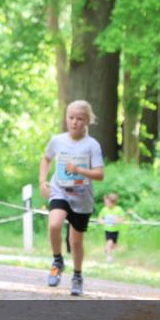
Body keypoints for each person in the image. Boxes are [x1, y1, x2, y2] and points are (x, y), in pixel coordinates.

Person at [38, 100, 105, 297]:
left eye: (80, 119)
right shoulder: (58, 140)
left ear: (87, 121)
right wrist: (42, 181)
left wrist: (78, 170)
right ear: (66, 118)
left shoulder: (92, 145)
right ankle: (57, 260)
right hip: (60, 190)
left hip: (82, 198)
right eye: (71, 118)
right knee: (54, 224)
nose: (74, 122)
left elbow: (99, 175)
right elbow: (46, 159)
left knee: (75, 241)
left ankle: (77, 276)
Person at [99, 192, 124, 262]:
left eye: (108, 203)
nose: (106, 204)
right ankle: (109, 257)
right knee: (109, 243)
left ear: (113, 203)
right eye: (106, 202)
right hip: (108, 230)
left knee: (114, 245)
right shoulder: (104, 209)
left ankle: (107, 249)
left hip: (115, 230)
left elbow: (123, 218)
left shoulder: (118, 209)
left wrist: (118, 221)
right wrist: (101, 221)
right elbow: (100, 218)